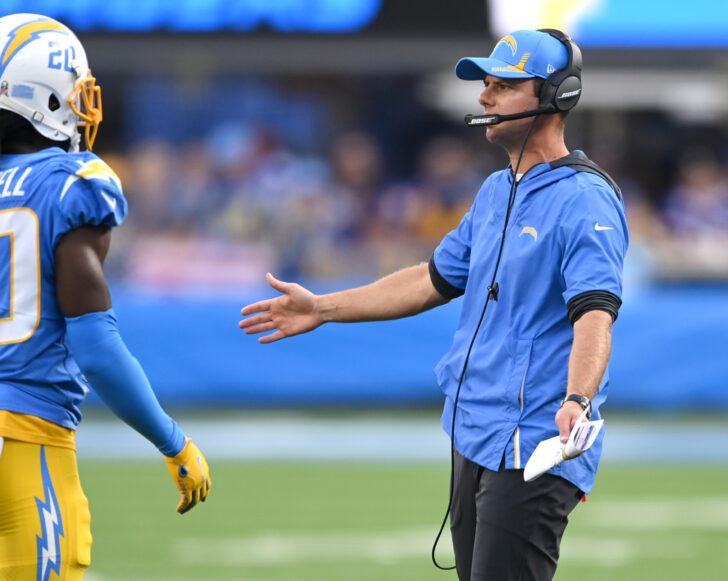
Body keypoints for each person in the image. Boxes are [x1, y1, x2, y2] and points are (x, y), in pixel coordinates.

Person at [240, 28, 628, 581]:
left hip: (537, 440)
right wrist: (323, 308)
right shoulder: (497, 190)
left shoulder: (586, 199)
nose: (483, 97)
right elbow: (431, 279)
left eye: (502, 85)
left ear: (554, 96)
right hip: (476, 432)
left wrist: (578, 399)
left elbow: (595, 313)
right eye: (485, 84)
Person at [0, 13, 211, 580]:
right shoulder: (72, 184)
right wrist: (174, 442)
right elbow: (95, 348)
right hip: (23, 441)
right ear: (47, 97)